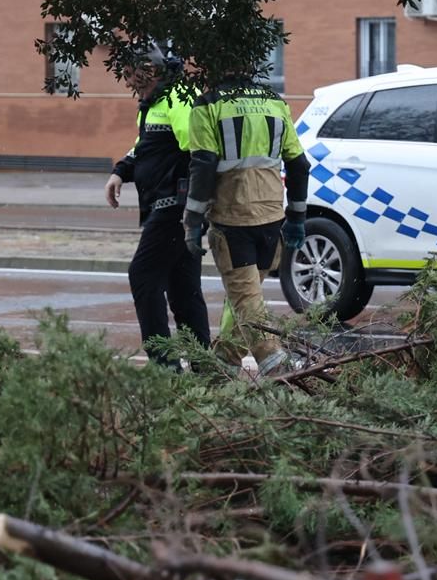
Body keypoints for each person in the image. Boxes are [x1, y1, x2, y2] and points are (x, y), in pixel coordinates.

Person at [183, 69, 309, 377]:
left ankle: (277, 366)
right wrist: (297, 217)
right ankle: (220, 368)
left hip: (232, 218)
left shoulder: (208, 104)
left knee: (245, 302)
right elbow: (298, 163)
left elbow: (202, 165)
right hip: (272, 220)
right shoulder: (274, 101)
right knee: (244, 300)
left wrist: (192, 220)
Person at [105, 53, 211, 367]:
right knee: (183, 288)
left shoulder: (180, 99)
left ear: (149, 71)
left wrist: (192, 209)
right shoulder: (156, 104)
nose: (127, 83)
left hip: (175, 209)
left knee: (143, 275)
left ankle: (163, 366)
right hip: (168, 207)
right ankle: (204, 365)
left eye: (129, 75)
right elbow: (145, 146)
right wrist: (121, 171)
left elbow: (199, 153)